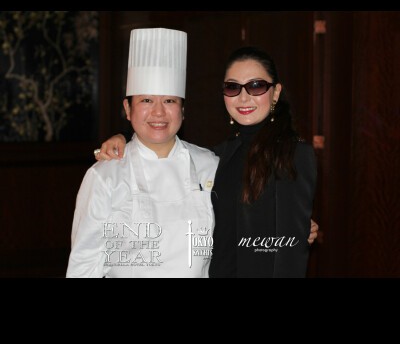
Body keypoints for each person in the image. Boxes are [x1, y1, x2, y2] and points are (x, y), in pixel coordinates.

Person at [98, 46, 318, 278]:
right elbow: (166, 151)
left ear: (275, 92)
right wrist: (123, 137)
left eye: (256, 86)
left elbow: (289, 256)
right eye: (233, 87)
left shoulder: (293, 155)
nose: (243, 97)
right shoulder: (218, 155)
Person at [67, 28, 219, 278]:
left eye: (169, 101)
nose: (159, 112)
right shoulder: (105, 176)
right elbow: (84, 265)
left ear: (183, 109)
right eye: (146, 101)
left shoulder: (209, 165)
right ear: (128, 109)